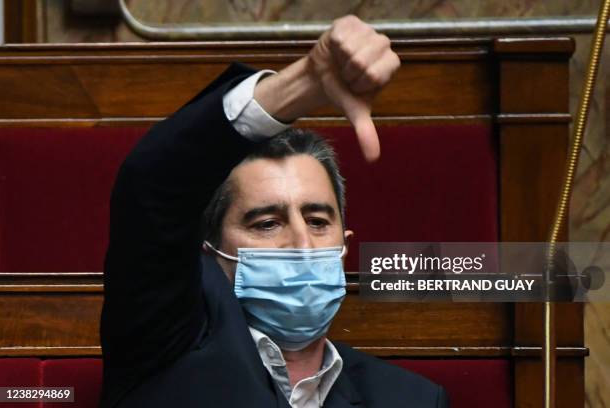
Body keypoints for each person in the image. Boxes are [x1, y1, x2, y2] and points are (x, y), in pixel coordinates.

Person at [100, 15, 449, 408]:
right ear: (211, 252)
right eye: (267, 223)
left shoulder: (410, 399)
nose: (301, 243)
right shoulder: (165, 345)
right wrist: (301, 87)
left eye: (318, 222)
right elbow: (152, 187)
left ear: (345, 246)